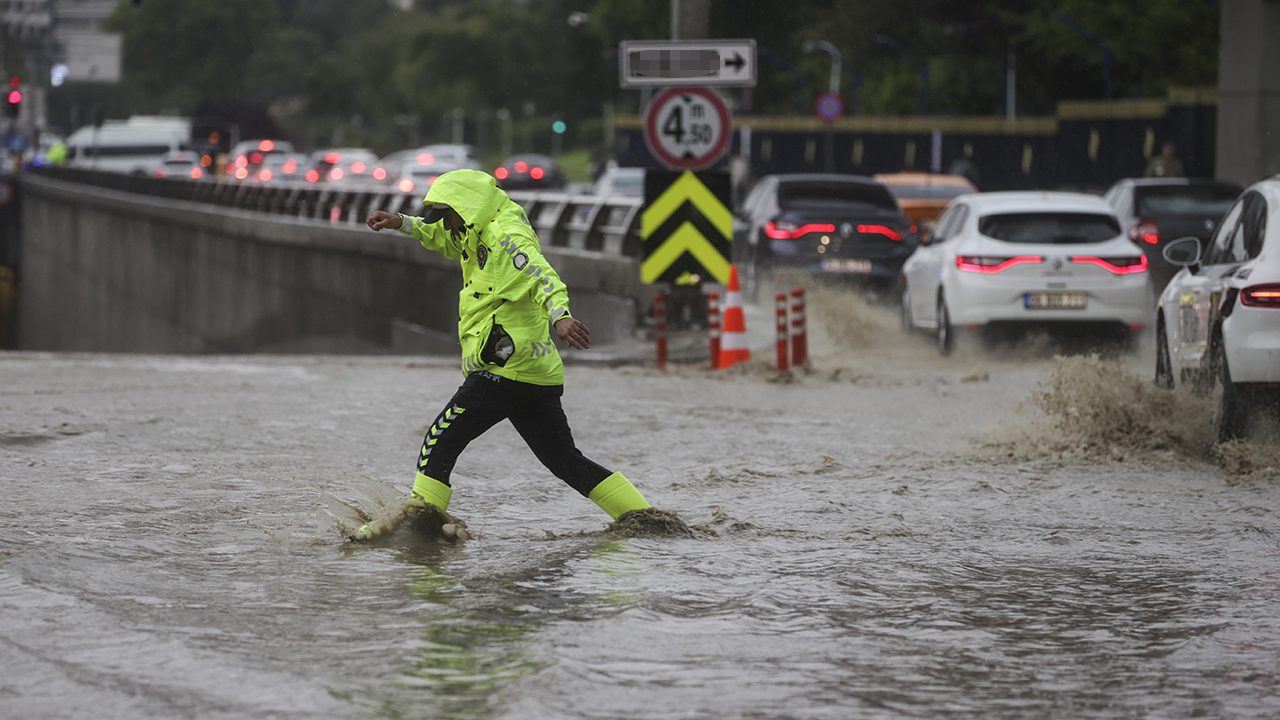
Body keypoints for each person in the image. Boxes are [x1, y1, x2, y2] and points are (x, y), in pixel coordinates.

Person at [365, 169, 651, 530]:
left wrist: (561, 316)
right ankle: (646, 520)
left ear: (465, 208)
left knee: (438, 442)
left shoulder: (506, 234)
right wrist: (401, 223)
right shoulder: (476, 229)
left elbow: (542, 275)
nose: (447, 225)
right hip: (532, 372)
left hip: (504, 366)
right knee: (563, 459)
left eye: (448, 215)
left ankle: (418, 531)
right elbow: (445, 238)